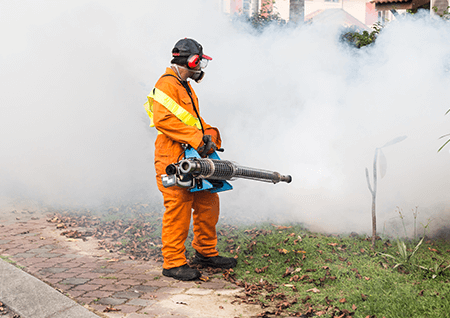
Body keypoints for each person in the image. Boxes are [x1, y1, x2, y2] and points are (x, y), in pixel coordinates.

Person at [145, 38, 237, 281]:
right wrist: (198, 138)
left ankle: (206, 252)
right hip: (173, 156)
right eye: (199, 63)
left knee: (208, 201)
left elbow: (192, 121)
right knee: (178, 208)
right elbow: (163, 120)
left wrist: (210, 134)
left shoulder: (184, 86)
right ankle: (173, 263)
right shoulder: (166, 85)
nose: (200, 69)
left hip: (193, 155)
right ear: (192, 61)